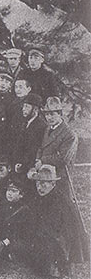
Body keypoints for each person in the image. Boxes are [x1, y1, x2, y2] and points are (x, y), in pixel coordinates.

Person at [34, 96, 89, 263]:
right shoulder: (48, 129)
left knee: (68, 215)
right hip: (46, 176)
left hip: (61, 179)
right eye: (47, 114)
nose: (49, 117)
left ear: (60, 114)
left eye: (53, 114)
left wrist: (43, 160)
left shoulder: (69, 134)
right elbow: (41, 149)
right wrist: (38, 159)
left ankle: (77, 253)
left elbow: (63, 158)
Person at [24, 165, 82, 276]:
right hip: (47, 234)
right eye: (37, 184)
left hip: (60, 239)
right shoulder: (42, 197)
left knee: (43, 266)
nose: (39, 188)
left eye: (43, 184)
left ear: (53, 184)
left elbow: (56, 229)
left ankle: (58, 265)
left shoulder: (59, 201)